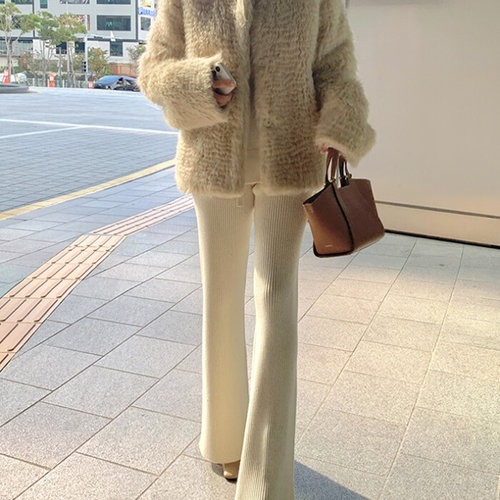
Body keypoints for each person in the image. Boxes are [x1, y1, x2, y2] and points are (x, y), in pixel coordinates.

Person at [138, 0, 375, 498]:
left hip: (293, 159)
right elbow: (154, 69)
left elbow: (335, 65)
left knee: (276, 300)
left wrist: (340, 126)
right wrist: (201, 82)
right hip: (211, 156)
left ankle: (267, 475)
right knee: (221, 299)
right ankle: (225, 437)